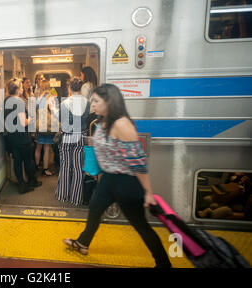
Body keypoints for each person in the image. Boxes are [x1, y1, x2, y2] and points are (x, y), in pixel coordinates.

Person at [63, 84, 171, 268]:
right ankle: (83, 243)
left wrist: (148, 192)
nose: (92, 105)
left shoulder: (122, 124)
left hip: (125, 183)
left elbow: (138, 161)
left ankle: (164, 264)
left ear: (109, 101)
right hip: (108, 180)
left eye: (96, 101)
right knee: (95, 210)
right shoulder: (104, 121)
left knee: (141, 226)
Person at [55, 77, 89, 206]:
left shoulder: (65, 103)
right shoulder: (87, 102)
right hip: (81, 136)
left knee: (64, 165)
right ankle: (76, 198)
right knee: (78, 168)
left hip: (67, 137)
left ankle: (63, 195)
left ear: (69, 88)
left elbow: (61, 120)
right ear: (80, 88)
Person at [4, 79, 42, 194]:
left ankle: (21, 184)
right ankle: (31, 181)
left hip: (11, 136)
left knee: (17, 161)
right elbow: (23, 122)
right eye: (20, 87)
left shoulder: (6, 100)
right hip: (21, 136)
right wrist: (30, 119)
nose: (22, 89)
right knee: (28, 159)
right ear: (16, 90)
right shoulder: (19, 102)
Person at [35, 79, 58, 176]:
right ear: (49, 87)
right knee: (47, 148)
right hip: (48, 125)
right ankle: (45, 169)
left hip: (39, 125)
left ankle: (35, 167)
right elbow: (54, 111)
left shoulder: (38, 98)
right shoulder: (51, 98)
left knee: (38, 147)